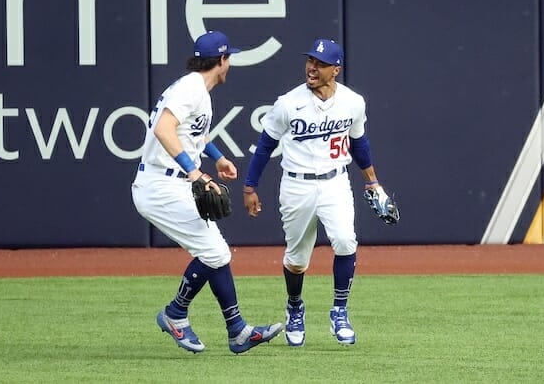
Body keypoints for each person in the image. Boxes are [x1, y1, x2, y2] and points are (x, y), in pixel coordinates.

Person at [131, 30, 282, 355]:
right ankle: (176, 314)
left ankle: (237, 330)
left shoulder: (196, 88)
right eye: (230, 58)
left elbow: (193, 133)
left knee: (216, 252)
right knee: (215, 253)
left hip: (171, 183)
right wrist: (195, 171)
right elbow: (164, 129)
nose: (230, 64)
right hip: (160, 185)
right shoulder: (191, 88)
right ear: (222, 60)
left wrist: (218, 157)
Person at [243, 38, 389, 347]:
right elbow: (265, 146)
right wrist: (249, 186)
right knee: (297, 258)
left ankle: (340, 311)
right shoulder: (288, 103)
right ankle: (295, 307)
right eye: (310, 61)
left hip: (335, 182)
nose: (312, 67)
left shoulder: (353, 102)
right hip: (297, 185)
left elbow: (359, 144)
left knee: (345, 241)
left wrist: (373, 182)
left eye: (321, 64)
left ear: (336, 70)